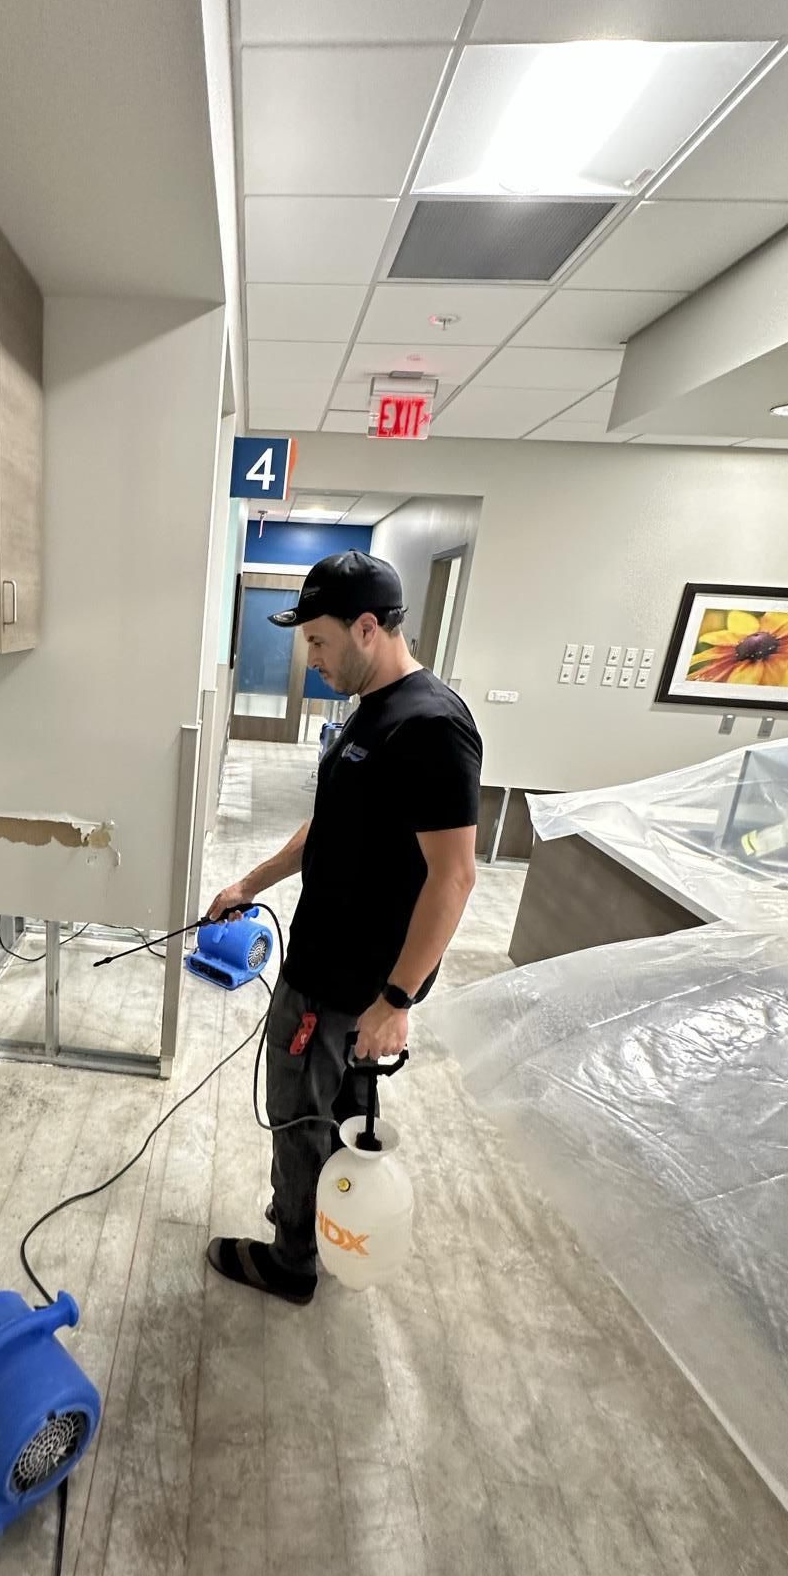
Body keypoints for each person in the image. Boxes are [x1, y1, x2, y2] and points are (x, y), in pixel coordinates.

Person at [205, 549, 482, 1305]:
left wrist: (395, 1001)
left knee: (301, 1116)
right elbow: (326, 830)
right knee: (324, 1118)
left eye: (321, 642)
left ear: (367, 628)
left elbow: (455, 877)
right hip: (323, 967)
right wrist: (247, 883)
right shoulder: (372, 716)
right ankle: (319, 1220)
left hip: (349, 989)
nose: (312, 658)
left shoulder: (430, 727)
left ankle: (292, 1260)